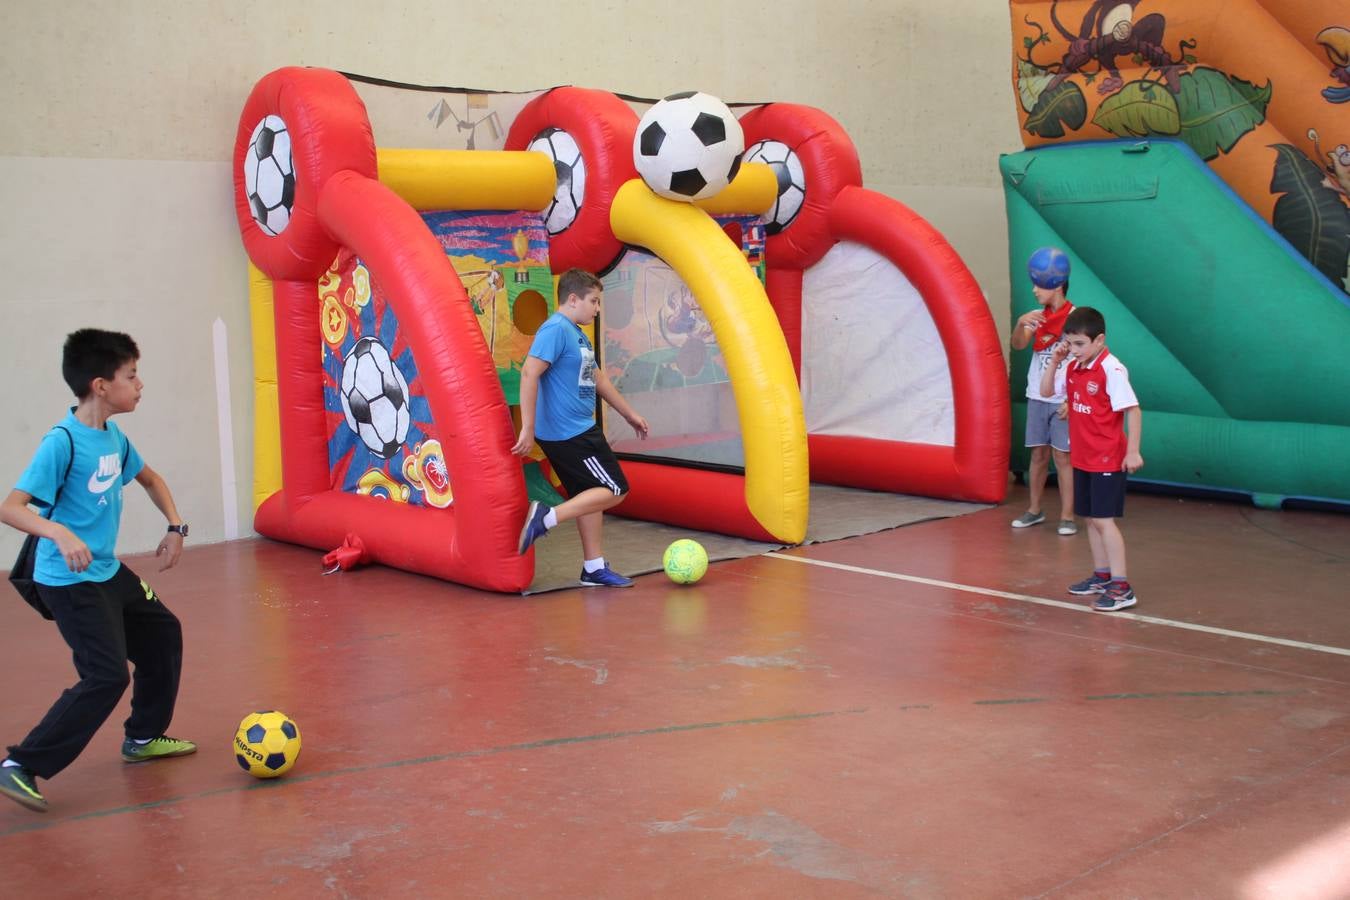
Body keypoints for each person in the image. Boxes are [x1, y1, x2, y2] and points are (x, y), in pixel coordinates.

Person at [0, 330, 195, 813]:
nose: (140, 384)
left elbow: (150, 478)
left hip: (106, 571)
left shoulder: (113, 436)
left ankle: (143, 737)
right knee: (106, 676)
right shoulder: (62, 442)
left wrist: (175, 526)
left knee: (162, 634)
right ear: (101, 385)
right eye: (131, 375)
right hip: (68, 581)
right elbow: (11, 508)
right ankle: (20, 765)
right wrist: (59, 534)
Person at [511, 269, 650, 587]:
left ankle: (593, 567)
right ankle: (547, 517)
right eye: (594, 301)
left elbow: (597, 378)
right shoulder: (556, 329)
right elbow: (529, 373)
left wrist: (628, 414)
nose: (597, 309)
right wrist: (527, 428)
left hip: (575, 429)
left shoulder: (576, 334)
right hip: (572, 432)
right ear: (573, 299)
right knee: (616, 489)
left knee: (590, 494)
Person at [1042, 307, 1143, 612]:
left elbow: (1133, 410)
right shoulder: (1073, 367)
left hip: (1107, 457)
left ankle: (1122, 587)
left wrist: (1133, 451)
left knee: (1103, 520)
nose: (1073, 350)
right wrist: (1055, 362)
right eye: (1069, 343)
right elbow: (1046, 391)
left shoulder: (1112, 369)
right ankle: (1102, 576)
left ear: (1099, 340)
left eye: (1080, 344)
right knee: (1089, 518)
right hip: (1083, 456)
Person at [1011, 246, 1076, 535]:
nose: (1034, 289)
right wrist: (1020, 323)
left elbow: (1085, 360)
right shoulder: (1036, 317)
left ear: (1057, 284)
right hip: (1037, 395)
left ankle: (1068, 516)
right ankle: (1034, 510)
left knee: (1063, 458)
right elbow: (1019, 344)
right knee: (1038, 455)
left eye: (1039, 284)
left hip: (1062, 399)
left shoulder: (1076, 317)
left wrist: (1073, 400)